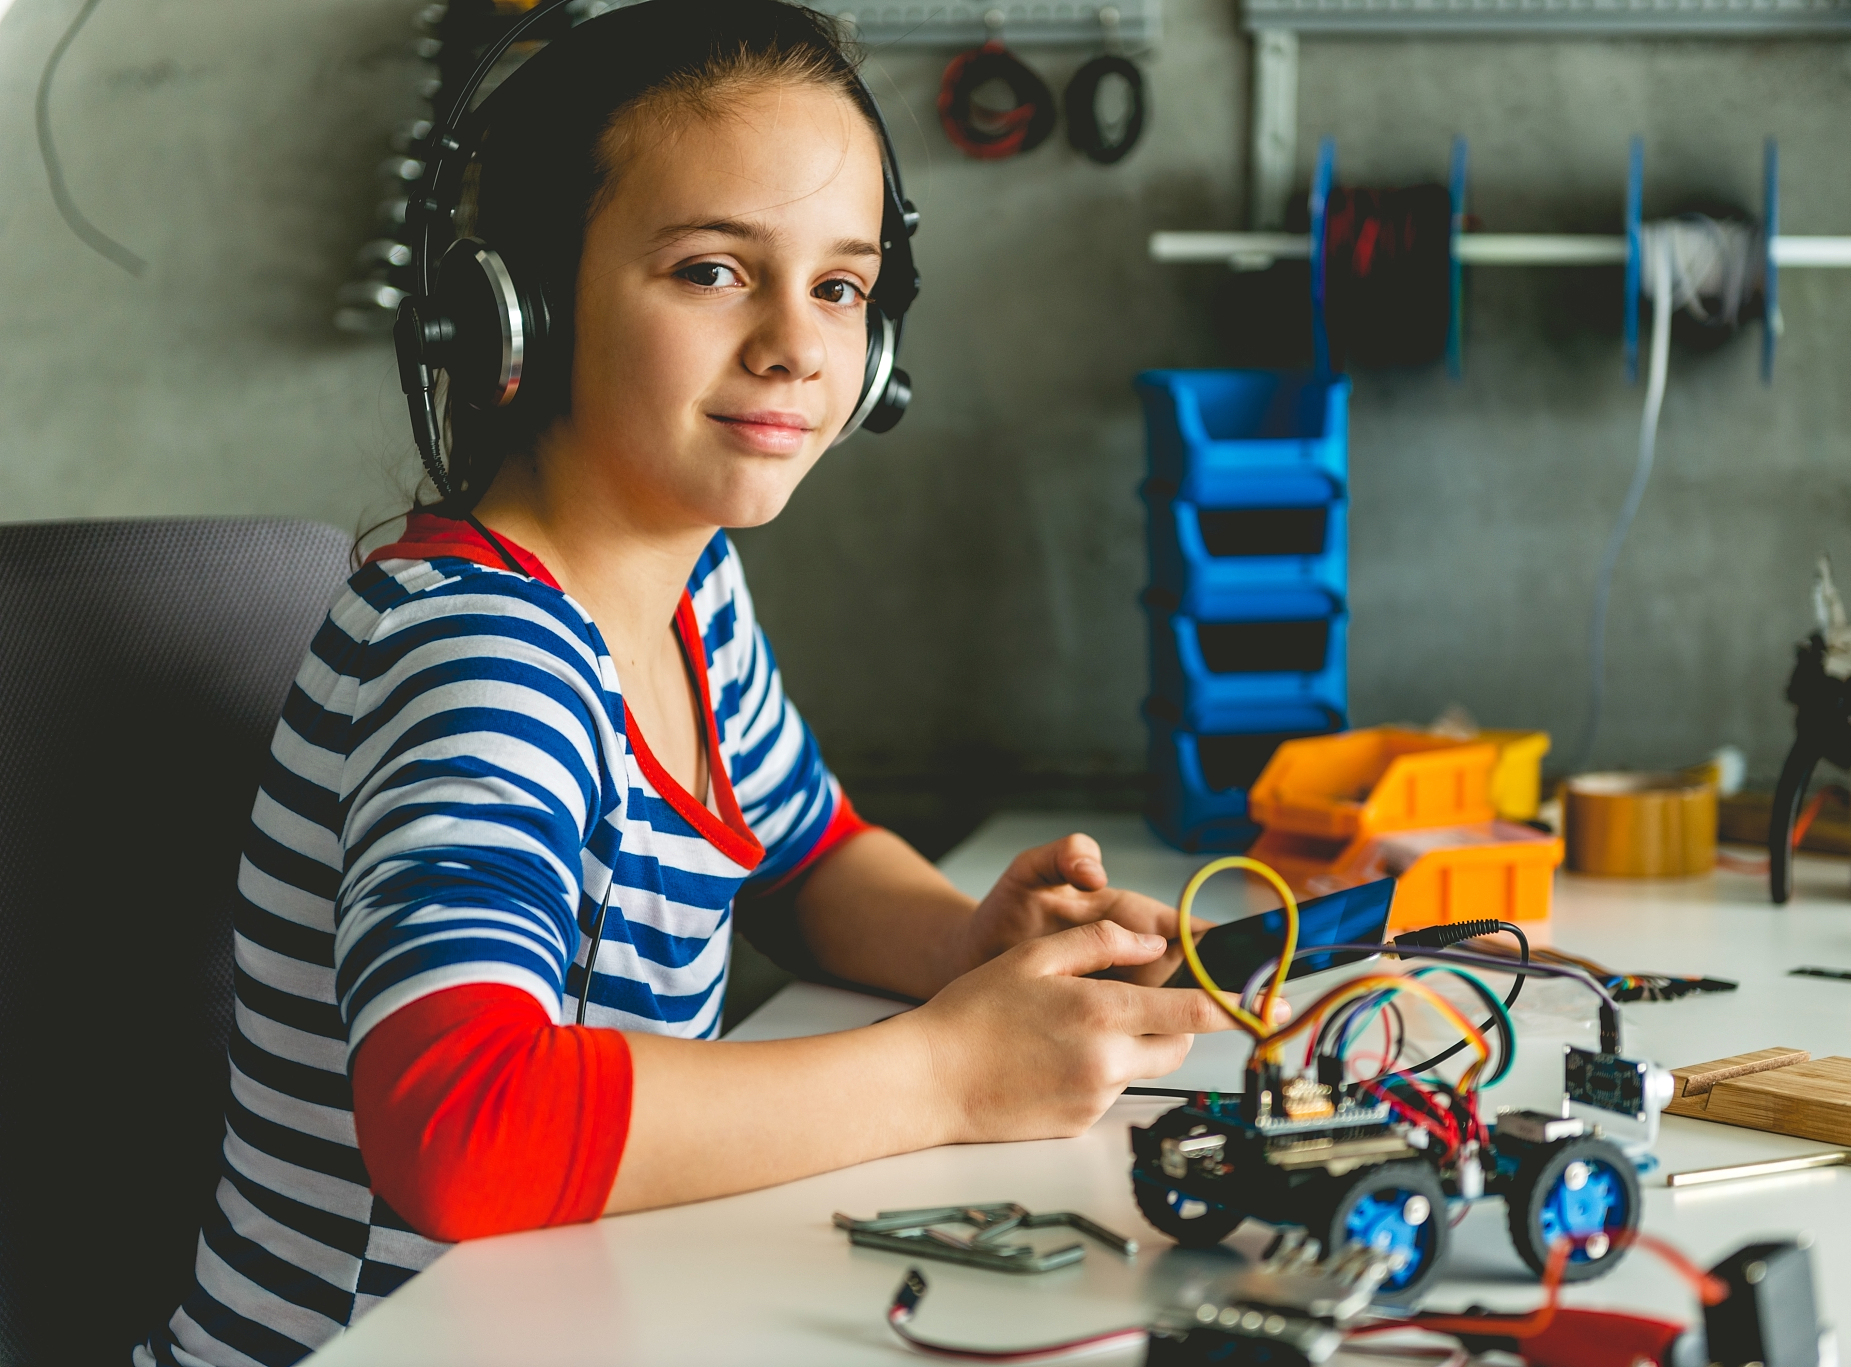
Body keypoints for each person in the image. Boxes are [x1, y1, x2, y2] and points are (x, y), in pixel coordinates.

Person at [142, 4, 1240, 1363]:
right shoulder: (484, 658)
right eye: (714, 270)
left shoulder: (689, 588)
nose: (796, 342)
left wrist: (966, 951)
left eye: (840, 287)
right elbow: (464, 1130)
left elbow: (805, 854)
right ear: (521, 305)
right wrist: (951, 1071)